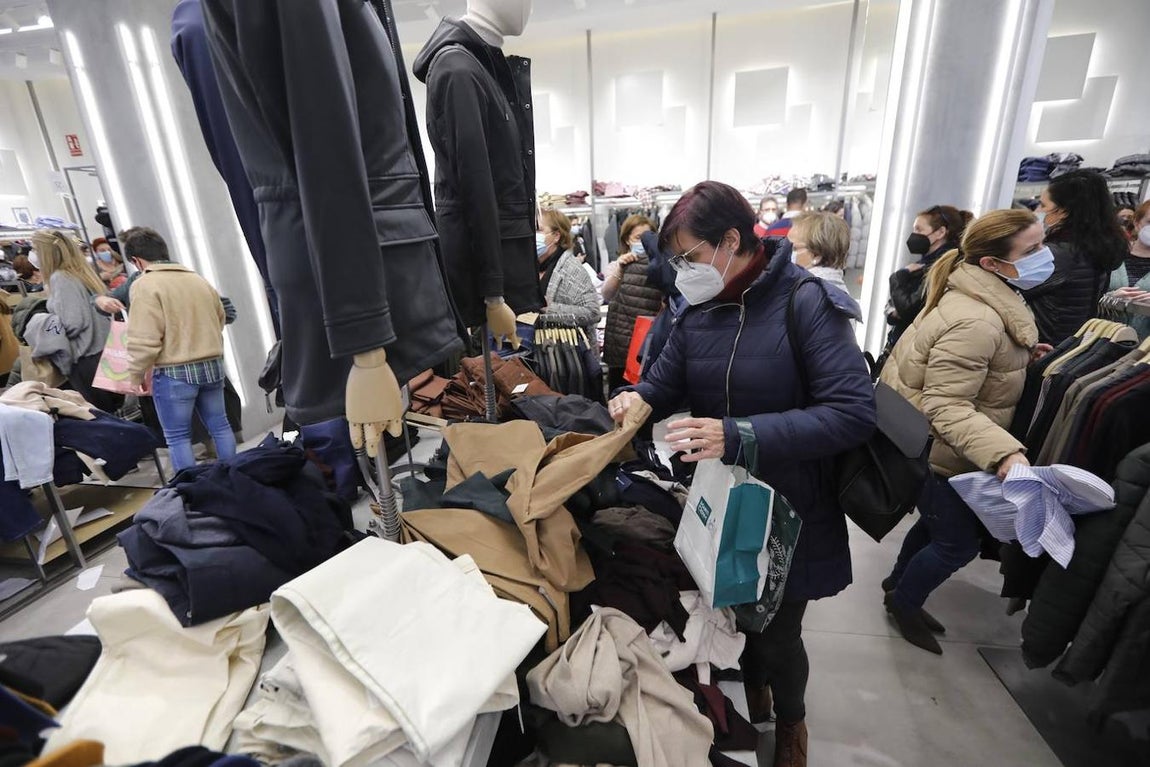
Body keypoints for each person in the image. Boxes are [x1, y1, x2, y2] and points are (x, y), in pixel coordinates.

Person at [608, 181, 876, 767]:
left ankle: (792, 725)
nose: (682, 270)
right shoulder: (701, 304)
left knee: (779, 631)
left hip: (790, 503)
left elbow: (852, 411)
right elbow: (668, 377)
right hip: (721, 493)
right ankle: (754, 696)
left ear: (732, 240)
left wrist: (742, 434)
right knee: (733, 607)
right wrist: (638, 397)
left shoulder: (805, 302)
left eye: (690, 255)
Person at [880, 209, 1053, 655]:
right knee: (957, 545)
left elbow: (963, 372)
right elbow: (946, 405)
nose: (1045, 256)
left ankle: (897, 584)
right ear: (992, 264)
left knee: (937, 529)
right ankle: (904, 601)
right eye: (1032, 250)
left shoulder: (976, 295)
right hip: (941, 451)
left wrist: (1018, 358)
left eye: (1042, 243)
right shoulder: (977, 319)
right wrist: (1005, 454)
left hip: (930, 447)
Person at [122, 227, 235, 472]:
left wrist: (136, 374)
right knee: (221, 426)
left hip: (174, 371)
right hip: (213, 365)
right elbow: (220, 317)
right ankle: (234, 479)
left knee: (177, 437)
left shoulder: (145, 285)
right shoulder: (198, 280)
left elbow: (144, 337)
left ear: (137, 260)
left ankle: (189, 490)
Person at [1023, 170, 1128, 345]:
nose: (1038, 210)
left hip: (1045, 346)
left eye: (1043, 205)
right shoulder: (1096, 248)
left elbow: (1005, 286)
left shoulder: (1058, 255)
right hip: (1074, 343)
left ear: (1063, 211)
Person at [31, 229, 118, 412]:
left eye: (35, 249)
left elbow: (73, 322)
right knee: (115, 412)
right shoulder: (83, 272)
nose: (33, 255)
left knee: (100, 416)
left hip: (86, 358)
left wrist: (49, 324)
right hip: (105, 352)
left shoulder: (60, 278)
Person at [885, 205, 972, 349]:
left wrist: (897, 277)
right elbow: (894, 308)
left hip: (911, 345)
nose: (914, 234)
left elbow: (907, 310)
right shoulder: (926, 262)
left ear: (940, 232)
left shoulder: (940, 267)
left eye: (919, 229)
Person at [602, 214, 663, 391]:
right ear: (627, 240)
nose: (643, 242)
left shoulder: (661, 267)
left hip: (645, 344)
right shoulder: (618, 265)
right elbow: (607, 294)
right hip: (621, 345)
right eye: (638, 237)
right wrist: (620, 269)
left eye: (647, 237)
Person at [536, 209, 601, 345]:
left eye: (540, 230)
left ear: (556, 236)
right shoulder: (531, 266)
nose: (534, 236)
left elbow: (592, 312)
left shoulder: (571, 268)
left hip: (568, 352)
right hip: (543, 348)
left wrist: (548, 308)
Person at [788, 212, 850, 294]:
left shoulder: (810, 292)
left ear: (816, 255)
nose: (786, 252)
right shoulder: (834, 287)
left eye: (793, 248)